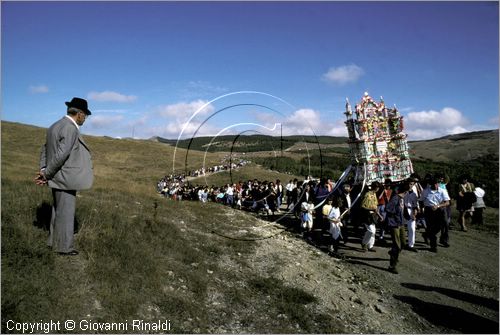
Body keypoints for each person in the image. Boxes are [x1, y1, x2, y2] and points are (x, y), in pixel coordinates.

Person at [35, 97, 93, 256]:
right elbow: (61, 155)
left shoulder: (54, 126)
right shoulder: (70, 128)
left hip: (56, 176)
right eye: (85, 115)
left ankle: (53, 242)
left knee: (58, 210)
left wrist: (44, 169)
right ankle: (64, 248)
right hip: (65, 178)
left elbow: (45, 150)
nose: (85, 119)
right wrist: (46, 174)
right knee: (66, 213)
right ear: (79, 114)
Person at [421, 177, 450, 252]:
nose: (436, 185)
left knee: (441, 226)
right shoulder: (425, 191)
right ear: (430, 184)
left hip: (439, 210)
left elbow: (447, 202)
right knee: (430, 227)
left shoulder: (442, 191)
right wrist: (421, 209)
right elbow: (421, 200)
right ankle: (433, 246)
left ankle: (427, 234)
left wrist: (438, 206)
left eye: (437, 183)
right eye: (434, 184)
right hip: (429, 210)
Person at [385, 183, 409, 274]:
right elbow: (388, 209)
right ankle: (392, 265)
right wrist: (396, 217)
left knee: (403, 243)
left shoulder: (402, 199)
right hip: (395, 224)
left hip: (401, 223)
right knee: (396, 245)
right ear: (405, 191)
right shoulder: (395, 198)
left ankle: (393, 252)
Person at [360, 181, 382, 252]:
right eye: (377, 187)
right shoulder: (367, 194)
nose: (377, 189)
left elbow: (375, 207)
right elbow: (362, 206)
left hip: (374, 215)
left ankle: (370, 245)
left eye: (378, 187)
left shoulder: (375, 194)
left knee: (374, 231)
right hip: (367, 215)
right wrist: (371, 209)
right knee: (370, 231)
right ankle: (364, 243)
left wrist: (379, 215)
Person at [404, 178, 420, 252]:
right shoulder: (402, 192)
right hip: (402, 211)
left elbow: (416, 205)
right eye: (409, 183)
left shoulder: (414, 194)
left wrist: (415, 212)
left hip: (410, 211)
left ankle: (411, 245)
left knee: (412, 229)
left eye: (411, 184)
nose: (410, 185)